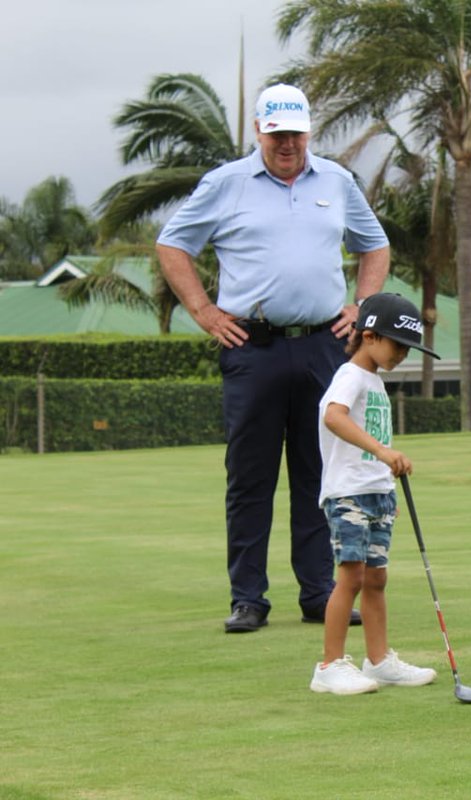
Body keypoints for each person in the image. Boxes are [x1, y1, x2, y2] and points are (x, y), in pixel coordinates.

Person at [156, 83, 391, 633]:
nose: (287, 143)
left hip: (322, 345)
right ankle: (249, 598)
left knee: (319, 471)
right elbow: (173, 245)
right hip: (252, 346)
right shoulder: (226, 183)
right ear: (259, 131)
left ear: (309, 131)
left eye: (296, 132)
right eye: (276, 132)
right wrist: (205, 312)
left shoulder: (335, 180)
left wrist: (360, 307)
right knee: (250, 476)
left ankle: (318, 593)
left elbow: (373, 245)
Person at [310, 292, 439, 695]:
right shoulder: (350, 376)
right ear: (368, 335)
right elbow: (334, 416)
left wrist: (386, 484)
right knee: (350, 577)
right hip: (348, 493)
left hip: (375, 494)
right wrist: (382, 451)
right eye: (398, 344)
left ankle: (379, 661)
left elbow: (374, 436)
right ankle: (329, 666)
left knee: (376, 579)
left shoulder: (375, 381)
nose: (403, 354)